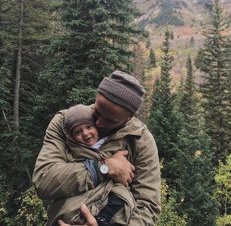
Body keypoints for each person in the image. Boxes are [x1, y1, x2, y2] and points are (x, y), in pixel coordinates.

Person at [33, 70, 161, 226]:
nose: (99, 123)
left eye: (110, 120)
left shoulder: (141, 141)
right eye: (97, 112)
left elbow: (148, 207)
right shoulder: (65, 123)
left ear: (130, 117)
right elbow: (44, 180)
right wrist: (102, 167)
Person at [47, 104, 134, 226]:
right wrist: (105, 166)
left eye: (89, 127)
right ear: (72, 137)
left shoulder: (114, 142)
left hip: (109, 195)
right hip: (81, 200)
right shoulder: (72, 151)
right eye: (78, 132)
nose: (86, 133)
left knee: (121, 198)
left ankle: (101, 220)